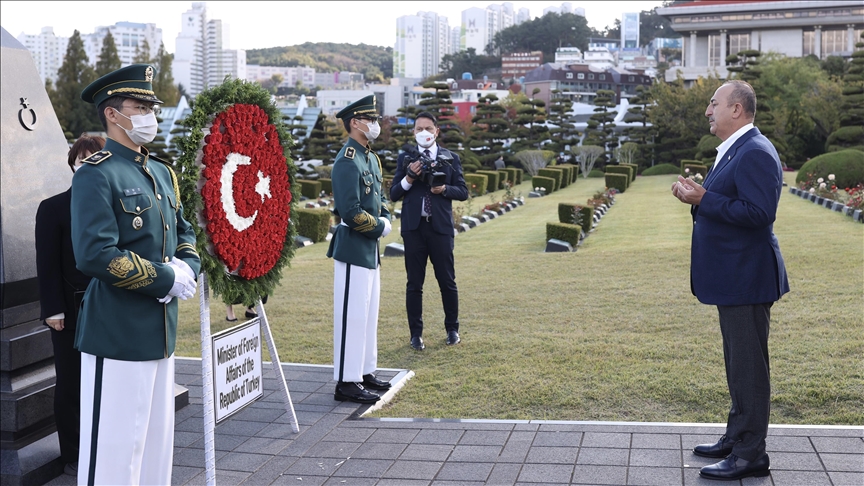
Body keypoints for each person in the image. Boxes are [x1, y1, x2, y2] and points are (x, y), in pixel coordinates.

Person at [72, 64, 201, 485]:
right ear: (113, 113)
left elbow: (183, 231)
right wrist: (165, 279)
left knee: (155, 446)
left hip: (160, 330)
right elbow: (95, 253)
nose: (151, 115)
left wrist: (186, 266)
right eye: (140, 106)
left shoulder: (161, 172)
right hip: (117, 330)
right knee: (114, 450)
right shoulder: (97, 173)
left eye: (152, 106)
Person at [671, 79, 788, 482]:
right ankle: (737, 437)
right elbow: (727, 202)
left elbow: (759, 213)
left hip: (747, 278)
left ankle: (750, 454)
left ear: (736, 110)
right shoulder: (734, 150)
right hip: (734, 277)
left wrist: (705, 199)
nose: (708, 110)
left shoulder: (754, 151)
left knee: (749, 368)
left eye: (713, 103)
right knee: (738, 365)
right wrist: (697, 197)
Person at [35, 134, 104, 476]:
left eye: (96, 160)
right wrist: (53, 310)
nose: (88, 166)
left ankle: (104, 447)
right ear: (73, 166)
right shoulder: (53, 208)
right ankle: (73, 455)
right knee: (71, 383)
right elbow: (46, 264)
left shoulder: (113, 205)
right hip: (71, 313)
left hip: (111, 309)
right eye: (82, 161)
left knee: (108, 383)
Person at [326, 94, 393, 404]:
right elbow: (349, 211)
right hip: (353, 248)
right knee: (351, 317)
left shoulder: (370, 157)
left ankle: (364, 371)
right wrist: (380, 226)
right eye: (371, 119)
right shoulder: (348, 160)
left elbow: (379, 199)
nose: (375, 124)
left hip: (370, 251)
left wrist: (386, 217)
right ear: (355, 122)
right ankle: (346, 381)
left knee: (368, 315)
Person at [390, 112, 468, 350]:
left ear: (436, 131)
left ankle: (452, 330)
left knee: (447, 280)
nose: (423, 132)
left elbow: (463, 191)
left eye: (427, 128)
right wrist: (409, 178)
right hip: (413, 229)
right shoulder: (405, 158)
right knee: (414, 283)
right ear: (413, 132)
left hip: (440, 227)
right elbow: (393, 193)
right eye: (418, 129)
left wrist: (444, 189)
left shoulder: (450, 157)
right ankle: (416, 334)